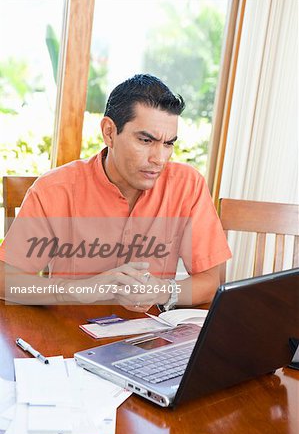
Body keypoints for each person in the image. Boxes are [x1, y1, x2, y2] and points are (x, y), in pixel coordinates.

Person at [0, 74, 231, 312]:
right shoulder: (54, 190)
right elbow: (6, 280)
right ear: (109, 132)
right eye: (145, 140)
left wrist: (162, 290)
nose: (159, 159)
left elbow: (211, 281)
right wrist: (83, 290)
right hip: (70, 334)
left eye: (168, 144)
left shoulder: (188, 185)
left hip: (150, 337)